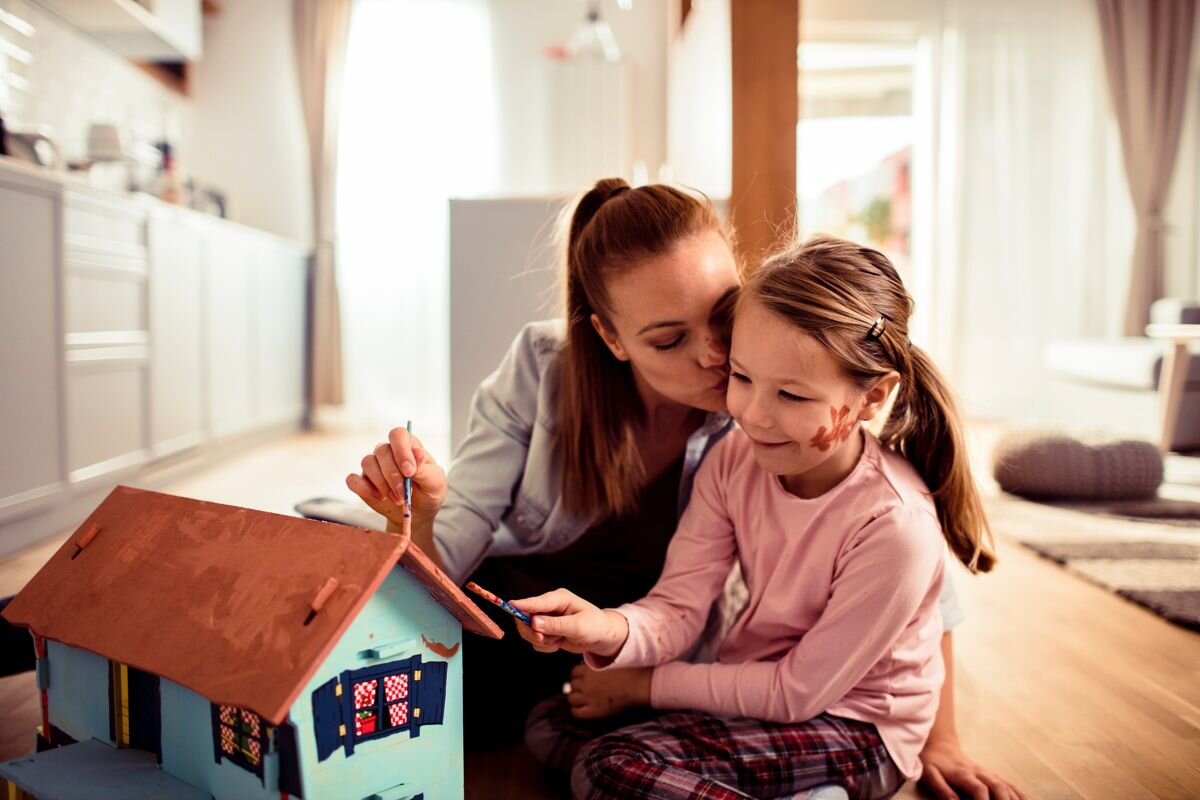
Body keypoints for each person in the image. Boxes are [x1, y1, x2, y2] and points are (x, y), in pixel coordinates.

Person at [345, 180, 1024, 799]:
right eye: (669, 340)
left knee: (600, 765)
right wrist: (425, 514)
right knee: (536, 726)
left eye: (724, 318)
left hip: (758, 681)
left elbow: (918, 580)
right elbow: (455, 557)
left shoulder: (774, 414)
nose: (717, 359)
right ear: (610, 337)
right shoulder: (566, 378)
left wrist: (941, 735)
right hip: (592, 623)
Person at [512, 235, 995, 799]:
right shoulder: (733, 461)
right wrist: (607, 628)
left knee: (604, 768)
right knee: (552, 726)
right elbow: (678, 607)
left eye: (791, 395)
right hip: (764, 696)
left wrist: (646, 686)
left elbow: (798, 692)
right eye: (741, 378)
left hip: (855, 730)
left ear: (872, 397)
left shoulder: (895, 526)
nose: (753, 416)